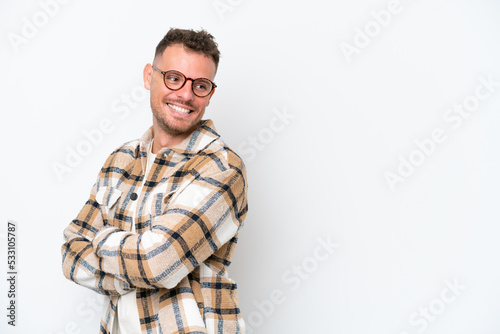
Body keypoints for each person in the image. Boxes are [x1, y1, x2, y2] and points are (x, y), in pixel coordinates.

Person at [61, 28, 248, 334]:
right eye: (174, 78)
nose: (186, 95)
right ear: (150, 76)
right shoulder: (120, 160)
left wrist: (101, 241)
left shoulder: (221, 168)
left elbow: (158, 262)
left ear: (210, 94)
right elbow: (70, 254)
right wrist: (137, 265)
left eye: (200, 85)